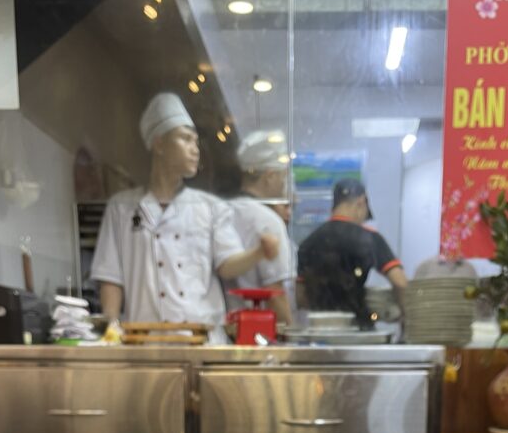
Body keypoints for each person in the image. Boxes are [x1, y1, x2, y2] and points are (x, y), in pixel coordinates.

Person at [91, 93, 279, 343]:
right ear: (159, 144)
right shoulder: (122, 208)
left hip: (203, 342)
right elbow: (111, 277)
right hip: (147, 344)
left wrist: (258, 253)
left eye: (196, 141)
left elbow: (227, 264)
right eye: (185, 139)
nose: (195, 149)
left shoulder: (210, 207)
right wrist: (111, 330)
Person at [296, 179, 408, 328]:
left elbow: (300, 297)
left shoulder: (308, 242)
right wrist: (404, 317)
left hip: (320, 330)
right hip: (358, 327)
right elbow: (400, 282)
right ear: (361, 202)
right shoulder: (369, 237)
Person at [228, 130, 294, 324]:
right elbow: (274, 292)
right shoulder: (269, 221)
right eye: (283, 176)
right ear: (270, 176)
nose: (284, 183)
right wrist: (292, 340)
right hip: (258, 332)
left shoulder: (222, 211)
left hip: (224, 329)